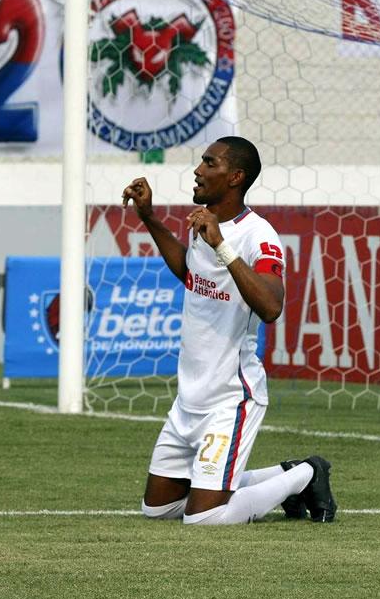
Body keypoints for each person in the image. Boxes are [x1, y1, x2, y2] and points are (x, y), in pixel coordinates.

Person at [122, 136, 337, 525]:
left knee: (202, 518)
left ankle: (307, 473)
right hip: (189, 398)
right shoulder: (203, 223)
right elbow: (191, 272)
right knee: (159, 510)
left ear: (235, 176)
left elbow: (271, 307)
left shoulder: (258, 236)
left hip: (230, 398)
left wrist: (222, 245)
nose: (198, 170)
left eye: (209, 163)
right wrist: (149, 216)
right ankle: (287, 472)